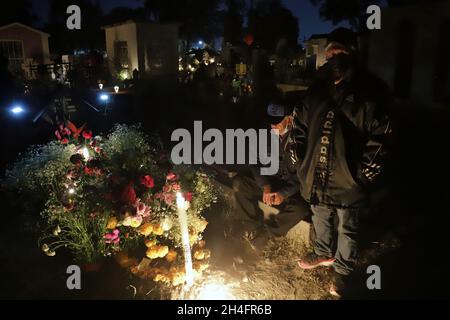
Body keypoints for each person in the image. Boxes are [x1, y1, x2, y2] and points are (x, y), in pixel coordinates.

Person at [293, 27, 392, 297]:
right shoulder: (316, 88)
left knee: (347, 226)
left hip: (349, 175)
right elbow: (299, 126)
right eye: (331, 51)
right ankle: (323, 252)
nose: (334, 55)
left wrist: (364, 174)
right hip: (318, 170)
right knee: (321, 214)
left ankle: (343, 273)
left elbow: (381, 134)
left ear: (351, 53)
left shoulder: (370, 90)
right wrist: (300, 161)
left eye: (341, 50)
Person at [232, 98, 312, 248]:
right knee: (239, 183)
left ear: (289, 119)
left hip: (291, 189)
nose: (273, 126)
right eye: (271, 123)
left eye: (277, 122)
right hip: (269, 182)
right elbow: (254, 162)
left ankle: (268, 234)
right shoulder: (265, 135)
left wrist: (283, 193)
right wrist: (265, 185)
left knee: (300, 208)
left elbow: (304, 174)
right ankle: (251, 227)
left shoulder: (301, 138)